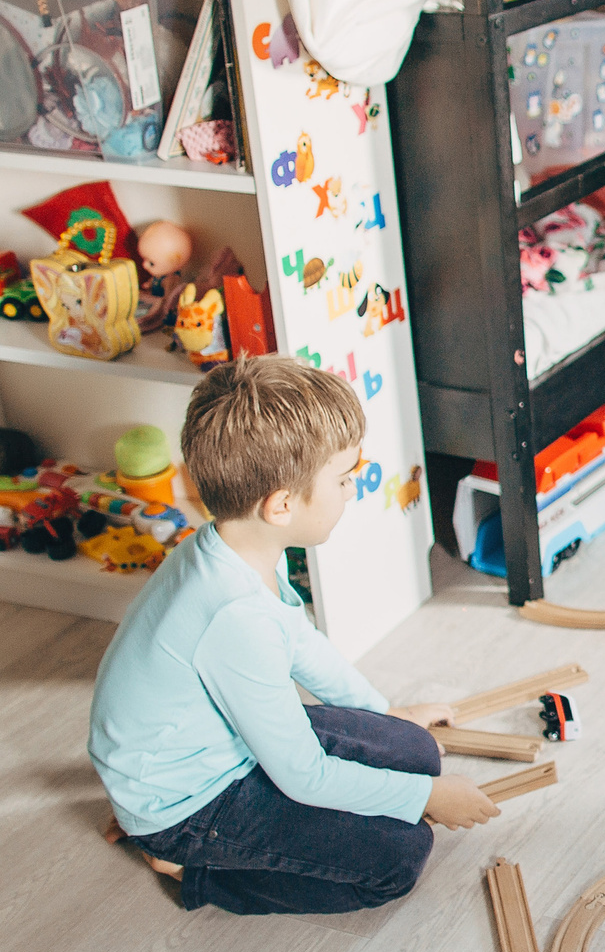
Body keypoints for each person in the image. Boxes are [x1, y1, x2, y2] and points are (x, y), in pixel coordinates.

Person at [89, 357, 499, 913]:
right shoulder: (236, 617)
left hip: (210, 747)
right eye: (342, 478)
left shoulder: (237, 547)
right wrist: (426, 798)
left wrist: (381, 713)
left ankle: (157, 827)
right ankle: (188, 868)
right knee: (400, 855)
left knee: (416, 750)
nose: (353, 489)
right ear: (281, 504)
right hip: (192, 802)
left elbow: (301, 644)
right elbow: (304, 777)